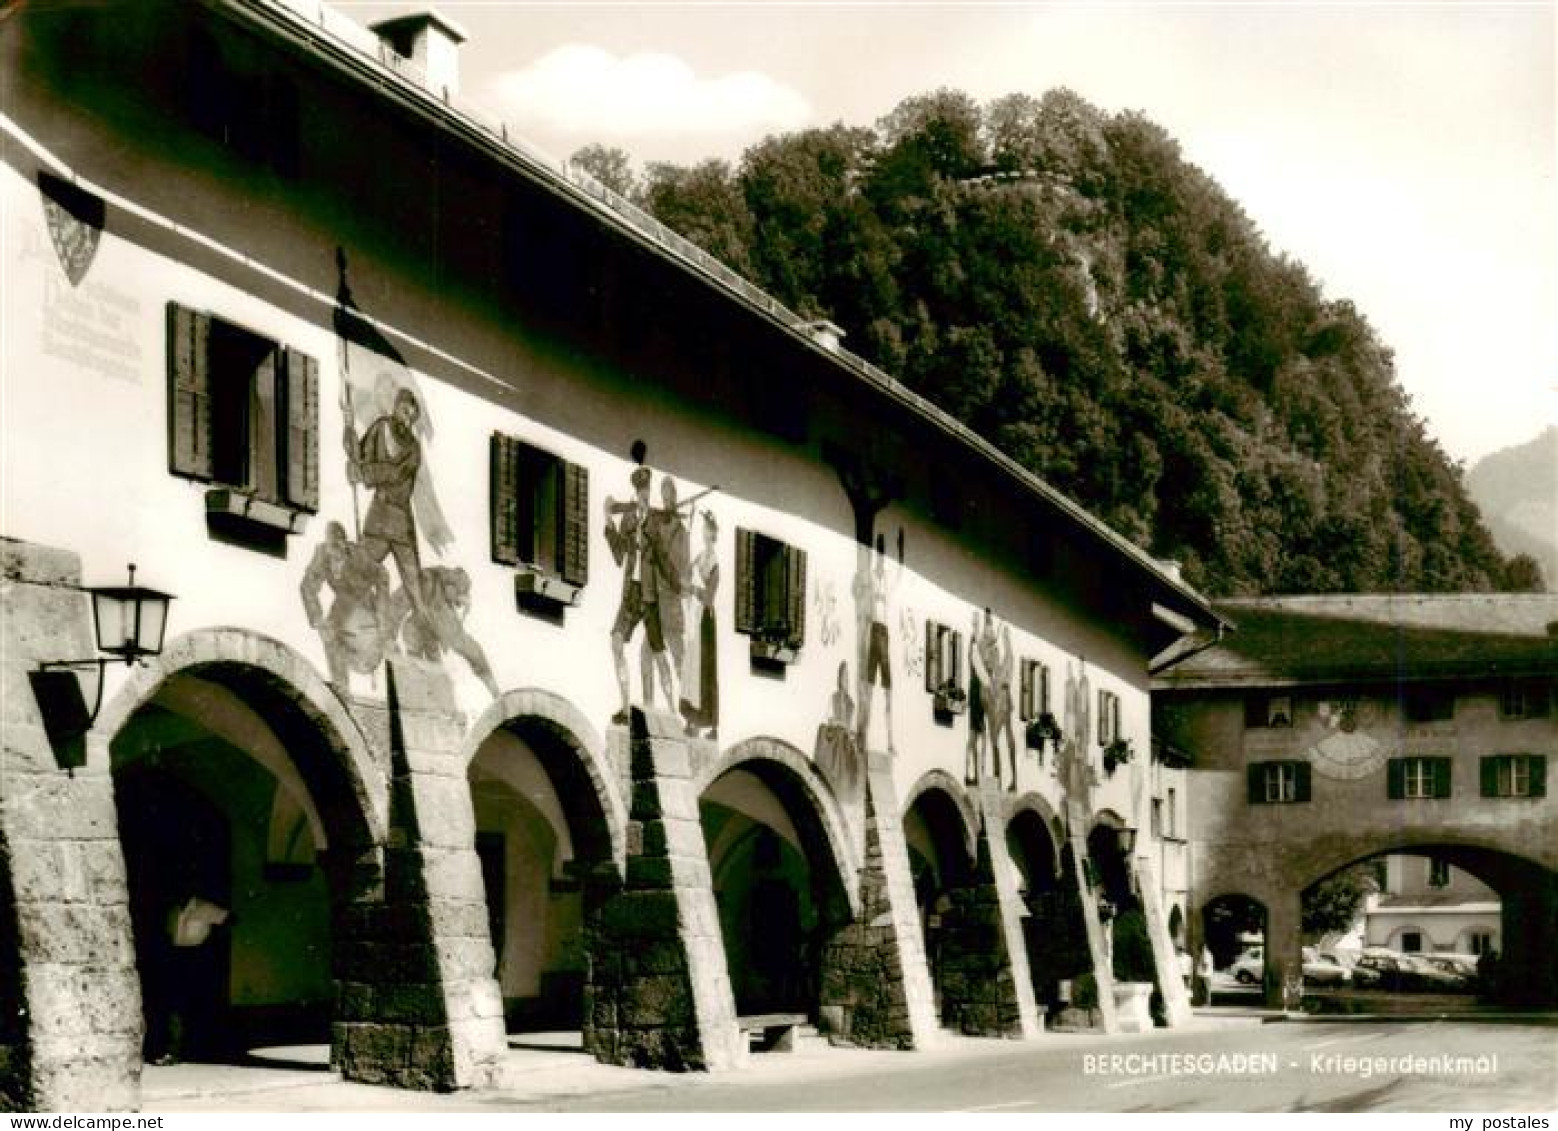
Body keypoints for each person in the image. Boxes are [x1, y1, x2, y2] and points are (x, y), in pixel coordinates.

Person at [353, 387, 429, 623]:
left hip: (400, 519)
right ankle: (357, 620)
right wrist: (351, 444)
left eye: (411, 415)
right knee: (359, 571)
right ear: (395, 407)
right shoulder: (379, 427)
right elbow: (361, 454)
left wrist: (365, 473)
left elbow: (395, 474)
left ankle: (424, 627)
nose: (407, 418)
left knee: (413, 583)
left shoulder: (414, 448)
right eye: (404, 410)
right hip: (378, 516)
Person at [605, 465, 657, 722]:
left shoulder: (657, 522)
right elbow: (618, 555)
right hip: (631, 593)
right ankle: (625, 708)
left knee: (651, 652)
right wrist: (608, 521)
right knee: (616, 643)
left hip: (652, 594)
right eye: (640, 491)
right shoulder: (629, 519)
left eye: (646, 490)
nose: (643, 495)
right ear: (635, 493)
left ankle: (650, 711)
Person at [854, 530, 902, 755]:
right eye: (879, 557)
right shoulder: (874, 579)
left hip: (883, 633)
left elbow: (898, 576)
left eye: (883, 558)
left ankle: (890, 739)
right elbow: (862, 591)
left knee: (887, 690)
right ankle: (865, 733)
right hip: (875, 630)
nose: (881, 563)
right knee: (870, 686)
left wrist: (900, 551)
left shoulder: (886, 580)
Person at [679, 510, 721, 738]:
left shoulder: (714, 563)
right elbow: (686, 576)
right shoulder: (699, 556)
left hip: (706, 619)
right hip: (694, 618)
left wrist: (693, 588)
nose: (705, 533)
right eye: (704, 528)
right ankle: (691, 719)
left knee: (705, 671)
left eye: (708, 529)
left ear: (713, 534)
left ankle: (711, 723)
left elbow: (709, 596)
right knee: (691, 670)